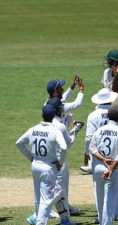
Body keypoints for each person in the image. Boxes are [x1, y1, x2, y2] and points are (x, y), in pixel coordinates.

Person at [26, 97, 83, 225]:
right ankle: (36, 216)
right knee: (55, 192)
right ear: (58, 111)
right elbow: (67, 145)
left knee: (56, 192)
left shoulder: (44, 125)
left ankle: (65, 220)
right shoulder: (60, 126)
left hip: (43, 162)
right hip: (57, 164)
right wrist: (75, 130)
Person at [16, 104, 67, 225]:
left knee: (39, 199)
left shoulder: (33, 129)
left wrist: (30, 157)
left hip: (35, 166)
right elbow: (64, 146)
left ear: (41, 114)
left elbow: (19, 143)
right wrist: (59, 162)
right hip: (48, 168)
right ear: (54, 116)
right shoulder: (55, 131)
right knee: (46, 200)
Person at [46, 77, 84, 215]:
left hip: (56, 147)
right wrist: (81, 89)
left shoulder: (51, 103)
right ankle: (47, 210)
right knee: (58, 183)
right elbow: (77, 104)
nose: (63, 88)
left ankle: (65, 206)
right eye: (61, 87)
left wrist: (72, 87)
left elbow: (63, 98)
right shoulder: (58, 107)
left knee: (63, 181)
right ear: (55, 91)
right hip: (57, 152)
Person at [89, 106, 118, 225]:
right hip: (113, 170)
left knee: (100, 198)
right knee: (110, 199)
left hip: (98, 168)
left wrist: (104, 159)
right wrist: (110, 168)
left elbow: (92, 149)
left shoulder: (99, 131)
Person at [80, 88, 118, 173]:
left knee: (98, 183)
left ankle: (91, 166)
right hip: (115, 152)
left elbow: (88, 138)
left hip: (98, 153)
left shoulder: (93, 115)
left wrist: (86, 153)